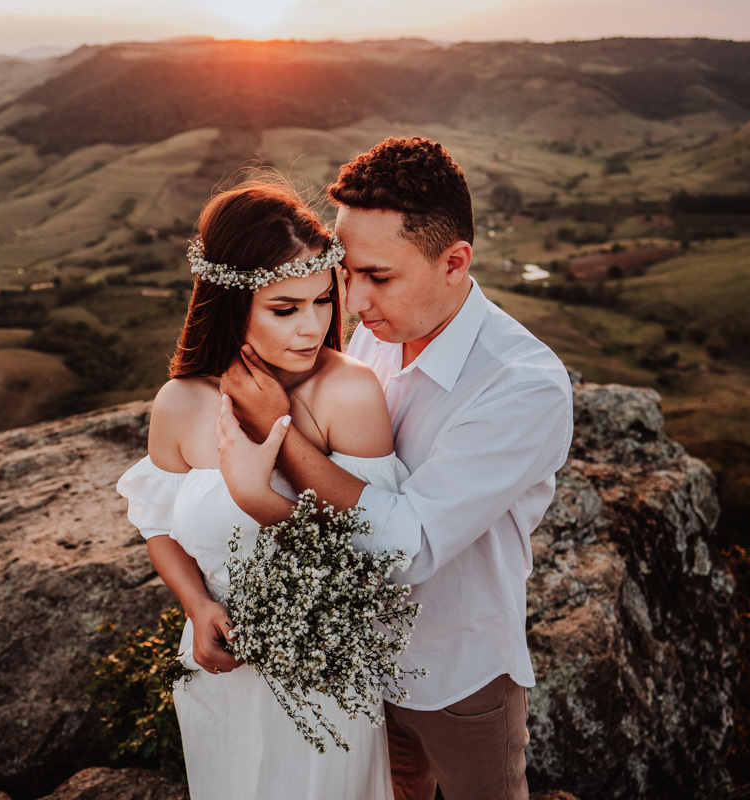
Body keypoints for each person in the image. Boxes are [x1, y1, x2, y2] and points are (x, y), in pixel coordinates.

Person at [217, 137, 573, 800]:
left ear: (454, 263)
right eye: (346, 273)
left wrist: (280, 434)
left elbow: (407, 548)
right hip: (356, 660)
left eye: (377, 276)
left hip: (458, 674)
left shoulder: (522, 387)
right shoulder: (372, 340)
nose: (351, 301)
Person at [115, 181, 408, 800]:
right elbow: (159, 526)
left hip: (323, 679)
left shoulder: (347, 394)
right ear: (231, 304)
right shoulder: (180, 402)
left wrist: (260, 497)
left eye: (322, 301)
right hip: (219, 674)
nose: (312, 327)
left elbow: (381, 555)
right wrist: (197, 607)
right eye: (284, 309)